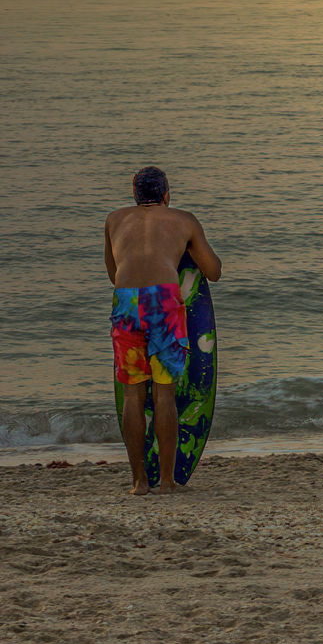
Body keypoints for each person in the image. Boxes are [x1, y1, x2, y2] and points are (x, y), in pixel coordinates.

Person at [105, 167, 222, 494]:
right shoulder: (183, 219)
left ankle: (139, 481)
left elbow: (113, 275)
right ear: (167, 194)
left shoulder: (114, 220)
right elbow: (214, 271)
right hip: (165, 302)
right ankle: (168, 481)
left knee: (132, 394)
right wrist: (183, 253)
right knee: (164, 392)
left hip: (126, 301)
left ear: (134, 195)